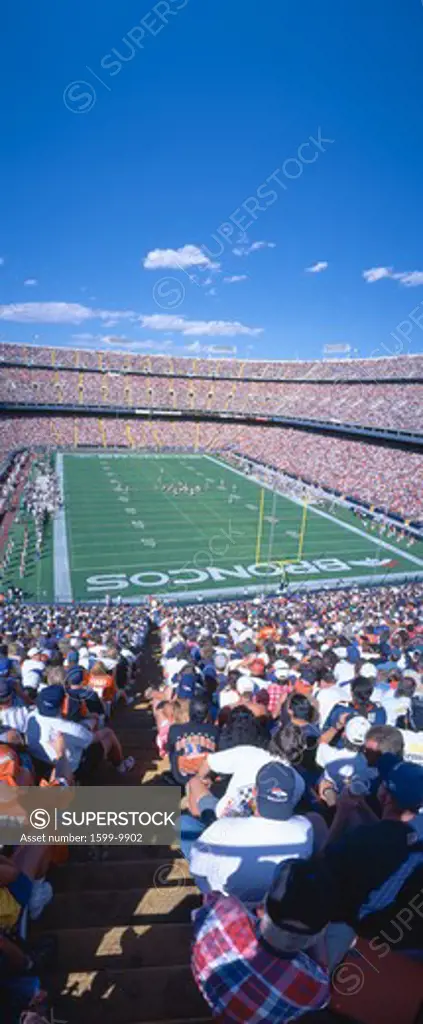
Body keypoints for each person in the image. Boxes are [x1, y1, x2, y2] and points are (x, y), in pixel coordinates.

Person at [191, 858, 330, 1023]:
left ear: (264, 905)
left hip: (209, 992)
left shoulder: (223, 910)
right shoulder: (315, 988)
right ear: (320, 933)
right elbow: (321, 997)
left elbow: (202, 908)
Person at [188, 762, 312, 905]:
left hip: (229, 910)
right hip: (280, 910)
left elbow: (197, 870)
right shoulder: (305, 828)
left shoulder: (221, 828)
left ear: (254, 792)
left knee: (185, 823)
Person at [166, 696, 218, 787]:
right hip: (206, 778)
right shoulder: (215, 731)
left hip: (180, 778)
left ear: (189, 713)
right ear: (206, 716)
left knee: (173, 751)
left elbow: (170, 752)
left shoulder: (174, 729)